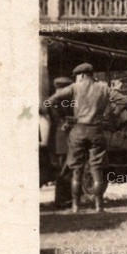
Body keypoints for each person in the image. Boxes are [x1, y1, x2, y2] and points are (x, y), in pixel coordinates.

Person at [42, 63, 127, 213]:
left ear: (82, 75)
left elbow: (52, 99)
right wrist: (113, 115)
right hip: (96, 131)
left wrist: (55, 114)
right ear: (92, 74)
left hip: (78, 130)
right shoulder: (103, 88)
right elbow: (124, 100)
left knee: (77, 170)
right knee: (97, 169)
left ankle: (75, 206)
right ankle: (99, 206)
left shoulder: (75, 87)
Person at [44, 76, 76, 209]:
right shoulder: (59, 102)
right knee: (65, 170)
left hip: (56, 141)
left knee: (63, 171)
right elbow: (62, 122)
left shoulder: (51, 101)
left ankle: (63, 200)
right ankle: (62, 201)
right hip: (61, 141)